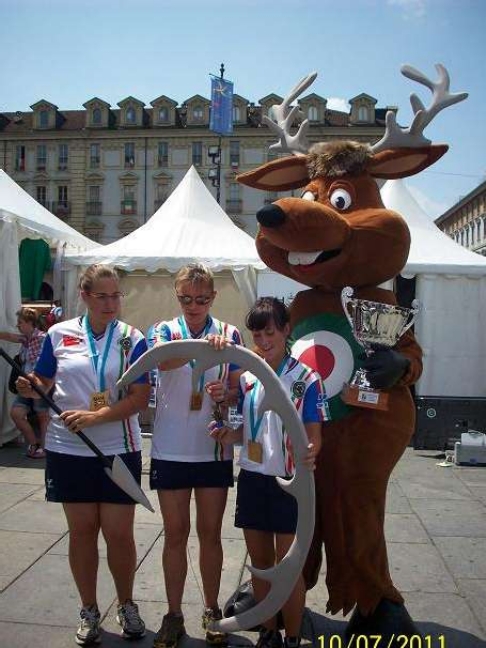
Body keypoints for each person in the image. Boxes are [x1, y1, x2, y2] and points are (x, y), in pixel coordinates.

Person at [16, 264, 150, 646]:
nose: (111, 303)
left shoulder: (131, 338)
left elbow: (139, 399)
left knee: (119, 534)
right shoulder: (59, 334)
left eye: (116, 295)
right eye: (103, 296)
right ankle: (89, 609)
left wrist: (97, 416)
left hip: (118, 448)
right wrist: (31, 386)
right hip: (67, 448)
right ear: (86, 296)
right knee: (82, 532)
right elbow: (43, 381)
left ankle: (126, 604)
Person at [208, 297, 329, 648]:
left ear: (286, 329)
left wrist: (310, 454)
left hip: (291, 484)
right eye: (257, 334)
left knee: (288, 569)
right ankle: (267, 631)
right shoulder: (247, 378)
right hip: (253, 478)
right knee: (261, 564)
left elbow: (315, 436)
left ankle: (292, 636)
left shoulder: (307, 378)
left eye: (270, 332)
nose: (263, 341)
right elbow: (243, 432)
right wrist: (224, 434)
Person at [147, 263, 243, 648]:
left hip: (212, 448)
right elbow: (164, 360)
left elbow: (239, 387)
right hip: (170, 448)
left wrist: (226, 394)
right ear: (177, 295)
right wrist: (203, 350)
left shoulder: (230, 333)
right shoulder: (164, 330)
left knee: (210, 536)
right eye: (186, 298)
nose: (193, 305)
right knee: (174, 535)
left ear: (213, 298)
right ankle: (173, 614)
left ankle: (211, 609)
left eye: (201, 299)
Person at [0, 307, 49, 458]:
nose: (18, 326)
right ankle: (34, 443)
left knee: (43, 416)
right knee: (16, 413)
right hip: (25, 384)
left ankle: (44, 448)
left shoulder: (43, 338)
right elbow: (9, 336)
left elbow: (46, 362)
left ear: (29, 322)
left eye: (20, 322)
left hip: (39, 383)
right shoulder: (26, 339)